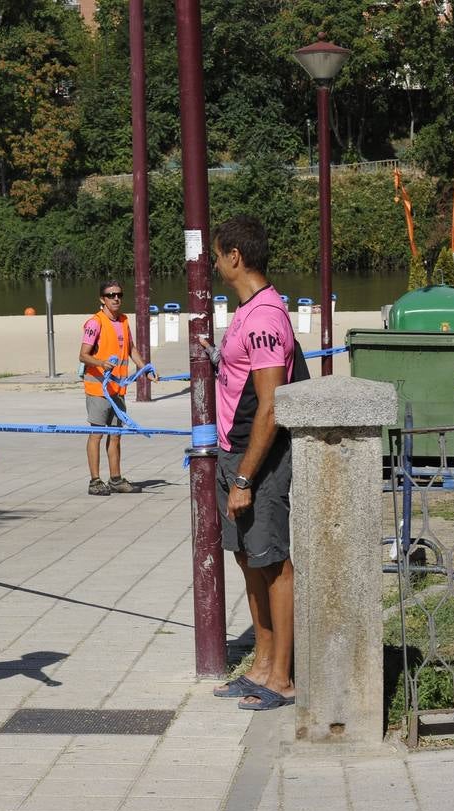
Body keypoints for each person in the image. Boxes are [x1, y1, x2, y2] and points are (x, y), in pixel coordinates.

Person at [204, 215, 305, 712]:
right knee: (249, 561)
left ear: (235, 257)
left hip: (259, 460)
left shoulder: (266, 317)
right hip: (233, 453)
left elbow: (270, 404)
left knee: (274, 564)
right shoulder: (246, 311)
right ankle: (261, 666)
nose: (214, 263)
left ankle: (282, 677)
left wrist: (245, 477)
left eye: (218, 254)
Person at [78, 279, 154, 495]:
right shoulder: (95, 323)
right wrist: (100, 363)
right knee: (97, 434)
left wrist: (145, 369)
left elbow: (132, 349)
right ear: (102, 299)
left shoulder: (123, 321)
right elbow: (83, 355)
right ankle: (95, 481)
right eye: (111, 295)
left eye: (119, 294)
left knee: (116, 435)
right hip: (98, 390)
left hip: (118, 390)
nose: (116, 298)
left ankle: (115, 479)